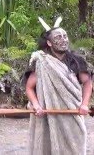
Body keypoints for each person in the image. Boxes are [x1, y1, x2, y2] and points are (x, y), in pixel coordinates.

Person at [22, 17, 93, 155]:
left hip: (72, 115)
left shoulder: (76, 61)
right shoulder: (42, 62)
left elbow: (87, 82)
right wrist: (36, 105)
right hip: (48, 118)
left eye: (65, 36)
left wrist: (84, 104)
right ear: (49, 42)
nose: (63, 40)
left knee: (76, 147)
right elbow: (29, 87)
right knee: (47, 148)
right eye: (58, 37)